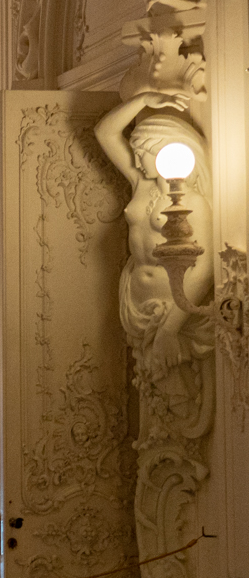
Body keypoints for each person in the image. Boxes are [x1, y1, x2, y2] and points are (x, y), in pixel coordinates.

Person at [94, 90, 213, 378]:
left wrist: (171, 327)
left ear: (163, 152)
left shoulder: (194, 201)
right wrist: (143, 100)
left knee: (179, 387)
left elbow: (205, 268)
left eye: (141, 154)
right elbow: (105, 133)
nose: (136, 162)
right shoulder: (141, 184)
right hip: (136, 306)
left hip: (176, 310)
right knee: (150, 387)